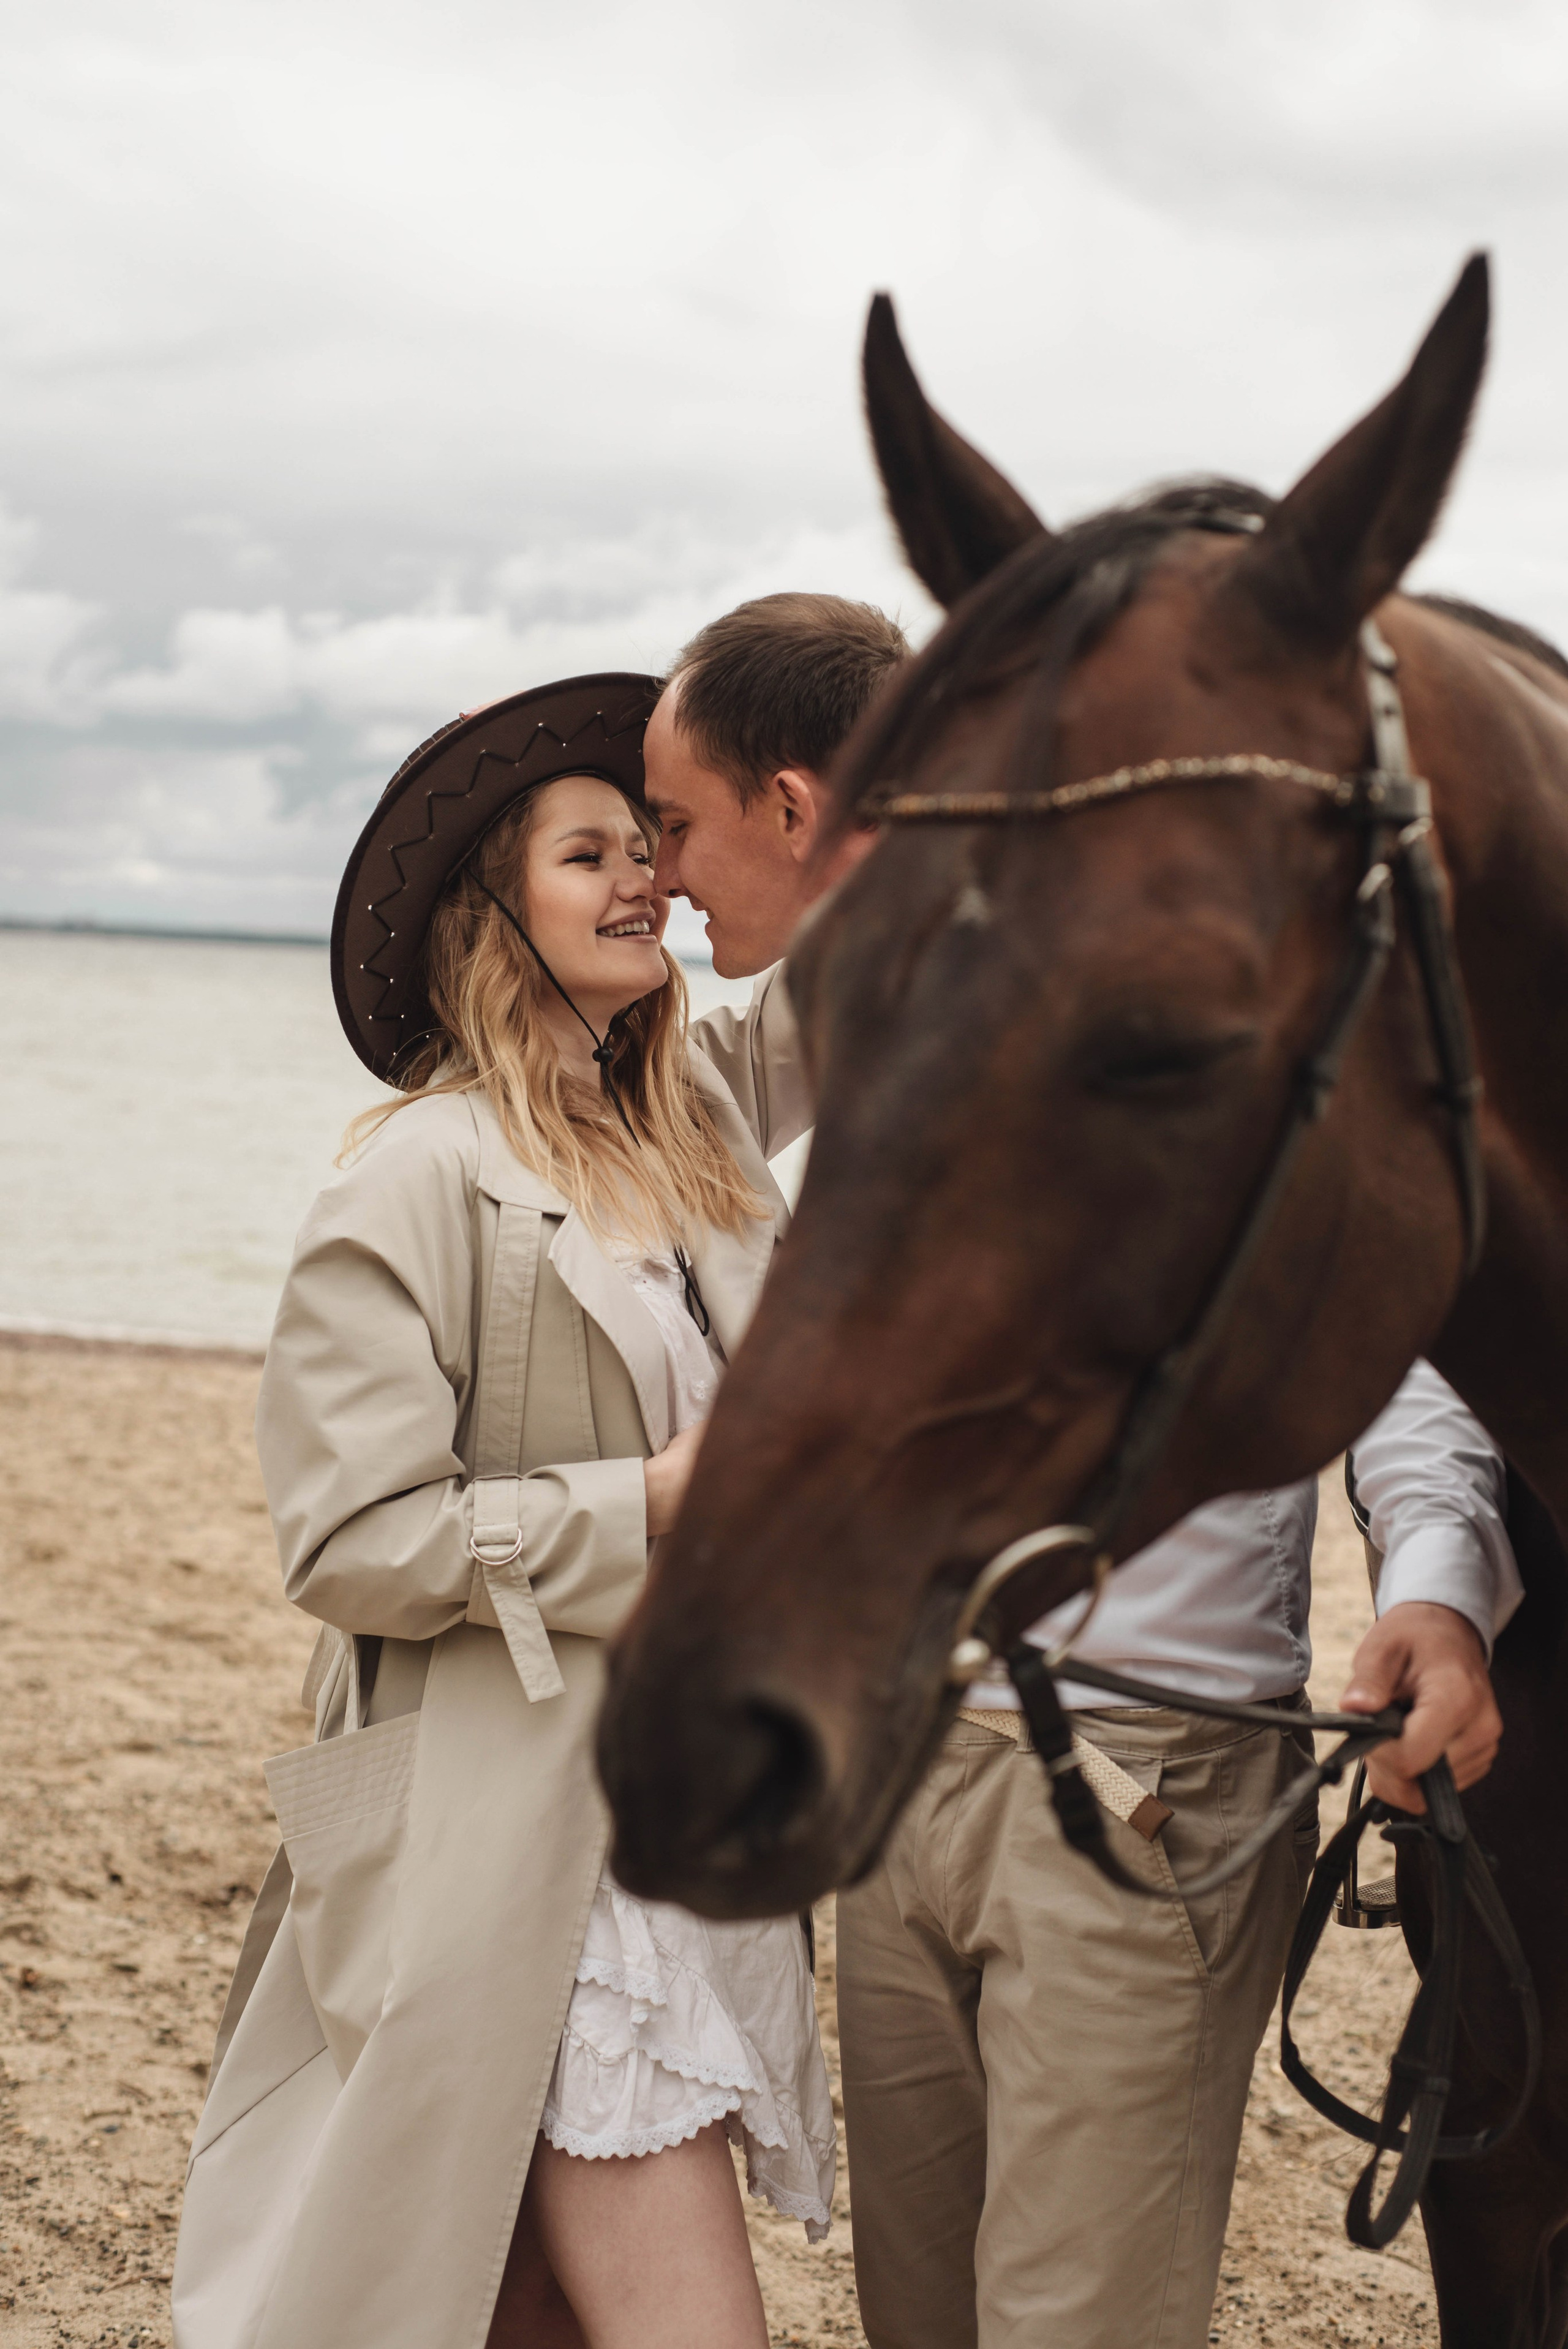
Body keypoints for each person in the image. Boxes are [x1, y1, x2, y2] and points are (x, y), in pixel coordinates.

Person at [641, 594, 1521, 2349]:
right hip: (894, 1770)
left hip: (1140, 1772)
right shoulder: (813, 1044)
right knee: (926, 2316)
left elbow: (1397, 1330)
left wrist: (1436, 1584)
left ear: (798, 806)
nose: (661, 877)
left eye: (672, 825)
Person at [171, 673, 834, 2349]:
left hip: (684, 1819)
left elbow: (859, 966)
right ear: (496, 910)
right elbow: (349, 1536)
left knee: (520, 2315)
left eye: (650, 849)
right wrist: (654, 1506)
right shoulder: (413, 1169)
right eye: (591, 853)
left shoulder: (700, 1147)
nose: (647, 883)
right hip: (520, 1843)